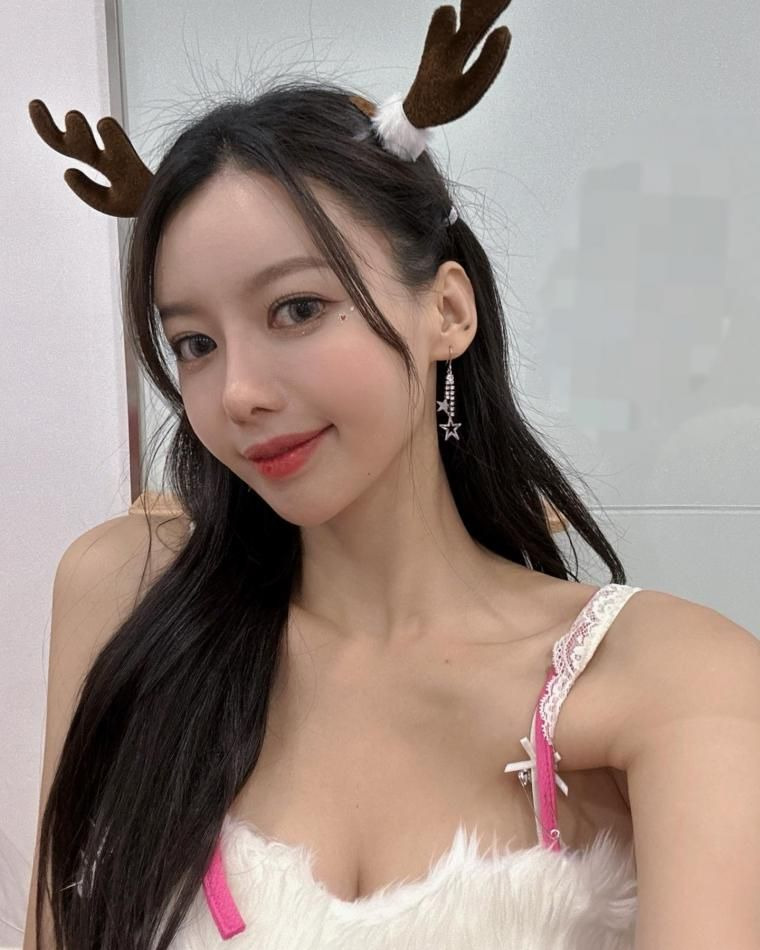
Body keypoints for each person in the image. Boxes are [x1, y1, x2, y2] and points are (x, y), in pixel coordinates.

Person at [23, 2, 760, 948]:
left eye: (296, 309)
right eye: (195, 343)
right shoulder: (126, 596)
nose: (238, 393)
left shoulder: (670, 678)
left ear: (447, 311)